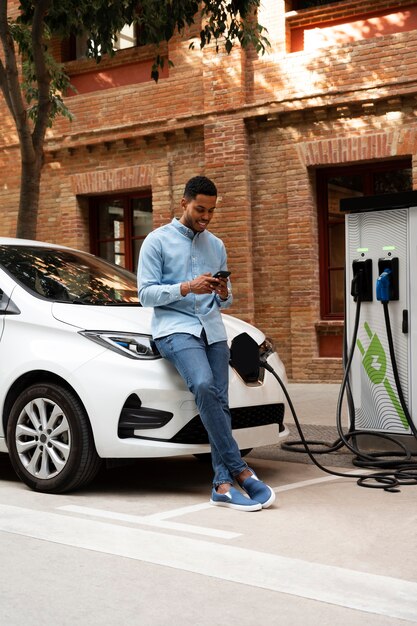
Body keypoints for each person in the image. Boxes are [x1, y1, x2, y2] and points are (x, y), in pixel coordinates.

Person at [138, 175, 275, 511]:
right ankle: (241, 470)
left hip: (213, 331)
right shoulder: (156, 242)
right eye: (200, 209)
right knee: (202, 384)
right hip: (175, 329)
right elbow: (145, 294)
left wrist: (224, 293)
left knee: (220, 403)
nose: (206, 217)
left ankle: (222, 484)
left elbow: (222, 300)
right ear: (183, 203)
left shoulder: (216, 245)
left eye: (211, 211)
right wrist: (186, 287)